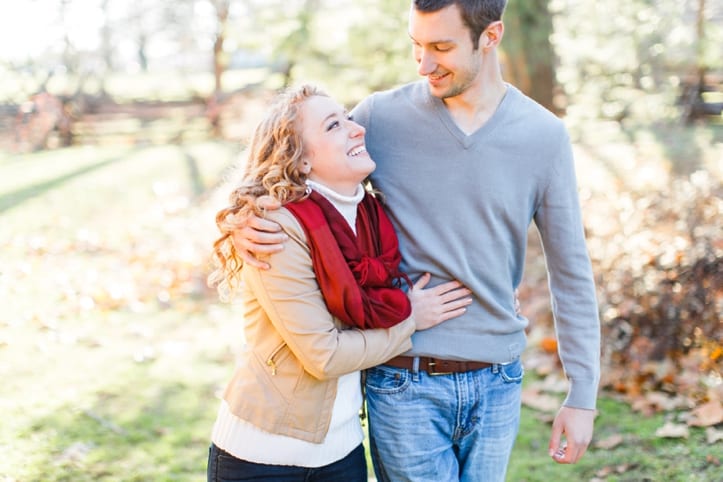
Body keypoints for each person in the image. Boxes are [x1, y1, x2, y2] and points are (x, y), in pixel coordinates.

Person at [226, 1, 601, 480]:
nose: (424, 65)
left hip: (499, 380)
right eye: (416, 46)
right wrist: (240, 215)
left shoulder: (544, 136)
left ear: (490, 36)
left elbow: (570, 271)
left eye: (441, 47)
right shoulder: (381, 118)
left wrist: (582, 395)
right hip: (403, 378)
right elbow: (287, 164)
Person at [206, 84, 472, 481]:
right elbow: (324, 355)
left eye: (348, 117)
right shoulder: (275, 227)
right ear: (301, 160)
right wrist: (411, 319)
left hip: (342, 453)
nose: (356, 129)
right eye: (334, 125)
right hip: (262, 458)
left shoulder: (371, 218)